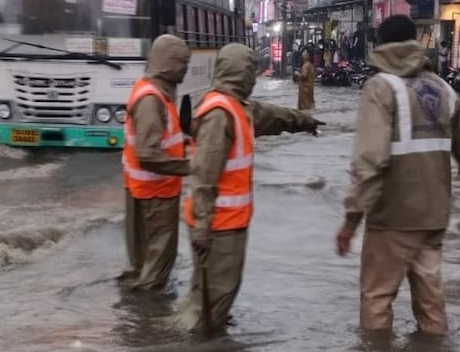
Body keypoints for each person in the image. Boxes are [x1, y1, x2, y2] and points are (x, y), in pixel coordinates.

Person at [335, 14, 460, 336]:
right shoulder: (443, 88)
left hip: (393, 217)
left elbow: (370, 160)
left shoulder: (380, 87)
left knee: (377, 298)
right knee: (431, 301)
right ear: (416, 42)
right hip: (434, 216)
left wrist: (351, 220)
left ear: (380, 45)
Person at [180, 43, 324, 334]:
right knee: (213, 299)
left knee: (216, 293)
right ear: (240, 72)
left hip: (228, 224)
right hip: (217, 226)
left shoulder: (238, 107)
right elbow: (205, 176)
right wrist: (203, 229)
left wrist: (304, 121)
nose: (253, 77)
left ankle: (199, 337)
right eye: (250, 71)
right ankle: (195, 347)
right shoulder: (219, 113)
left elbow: (273, 116)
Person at [119, 34, 192, 292]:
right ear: (168, 62)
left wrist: (184, 142)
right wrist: (190, 167)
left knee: (145, 261)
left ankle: (137, 300)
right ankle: (147, 309)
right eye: (182, 63)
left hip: (145, 190)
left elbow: (158, 139)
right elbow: (148, 154)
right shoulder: (152, 99)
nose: (185, 69)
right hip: (156, 194)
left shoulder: (152, 92)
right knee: (158, 263)